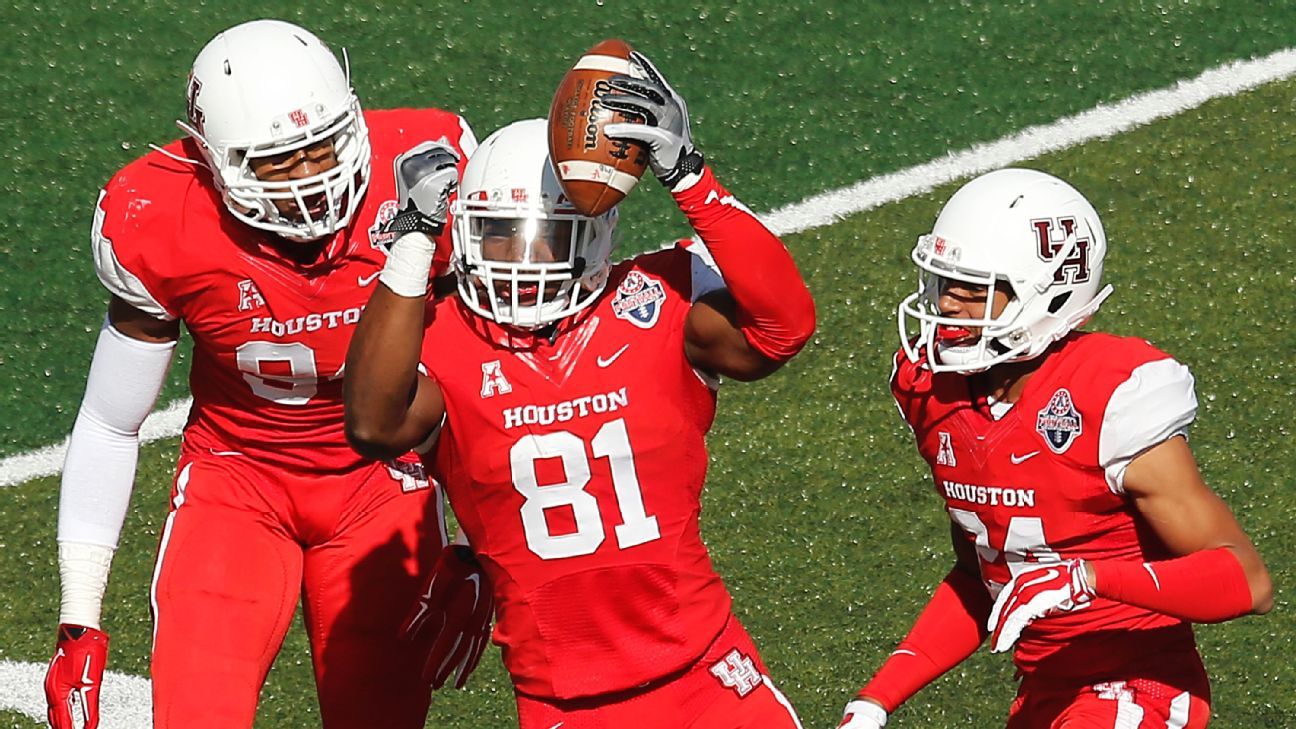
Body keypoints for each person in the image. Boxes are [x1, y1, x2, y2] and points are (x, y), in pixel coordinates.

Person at [344, 50, 814, 729]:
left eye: (548, 238)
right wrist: (413, 241)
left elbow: (783, 329)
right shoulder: (443, 337)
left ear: (595, 234)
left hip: (708, 677)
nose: (523, 259)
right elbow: (370, 422)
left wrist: (691, 176)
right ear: (464, 233)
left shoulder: (654, 301)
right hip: (566, 704)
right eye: (500, 236)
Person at [43, 19, 490, 729]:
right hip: (237, 481)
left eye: (324, 147)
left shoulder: (425, 173)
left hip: (384, 483)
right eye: (278, 162)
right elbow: (110, 420)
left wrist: (479, 541)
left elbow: (490, 375)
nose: (312, 178)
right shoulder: (161, 219)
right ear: (209, 159)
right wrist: (79, 617)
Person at [838, 168, 1273, 729]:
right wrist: (875, 701)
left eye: (975, 289)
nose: (948, 305)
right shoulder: (933, 392)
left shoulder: (1110, 395)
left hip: (1138, 690)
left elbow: (1247, 581)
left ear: (1047, 295)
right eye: (944, 282)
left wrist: (1087, 577)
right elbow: (980, 578)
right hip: (1044, 694)